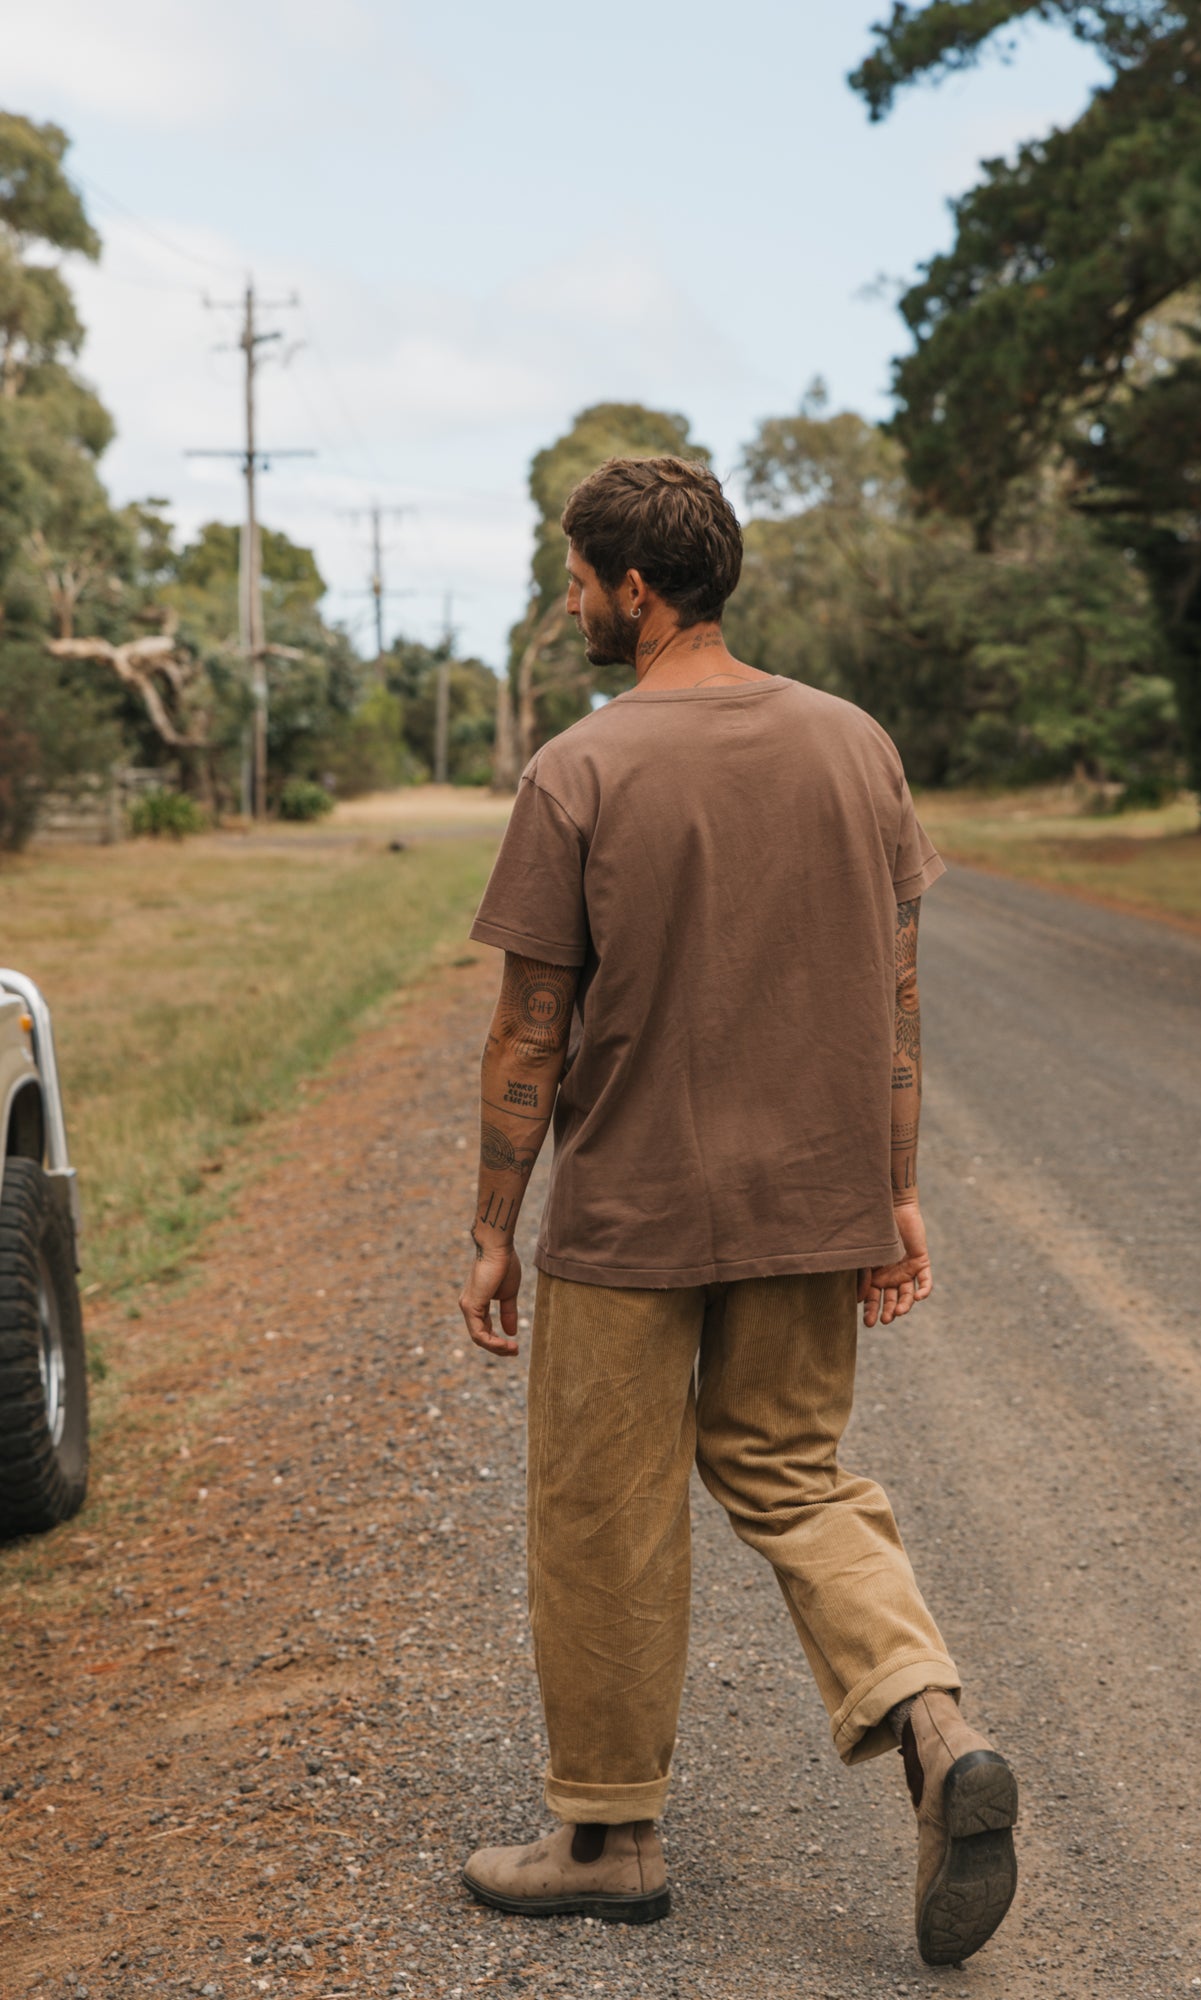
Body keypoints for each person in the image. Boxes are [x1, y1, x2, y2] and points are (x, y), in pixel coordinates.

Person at [456, 456, 1017, 1967]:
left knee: (603, 1505)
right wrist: (896, 1190)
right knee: (790, 1472)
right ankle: (933, 1721)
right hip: (813, 1196)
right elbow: (896, 998)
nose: (570, 600)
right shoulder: (854, 746)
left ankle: (606, 1838)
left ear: (636, 589)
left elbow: (526, 1031)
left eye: (578, 579)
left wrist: (494, 1226)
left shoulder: (579, 767)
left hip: (630, 1212)